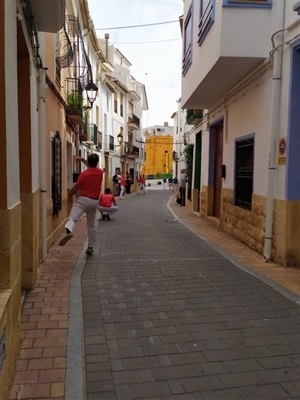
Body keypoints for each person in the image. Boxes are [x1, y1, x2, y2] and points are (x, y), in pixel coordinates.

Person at [59, 154, 103, 255]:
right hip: (94, 201)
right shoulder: (100, 172)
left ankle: (69, 231)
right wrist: (82, 160)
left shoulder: (84, 175)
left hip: (84, 200)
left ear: (89, 161)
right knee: (91, 225)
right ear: (96, 162)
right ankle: (91, 247)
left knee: (73, 218)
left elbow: (76, 187)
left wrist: (69, 196)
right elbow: (91, 166)